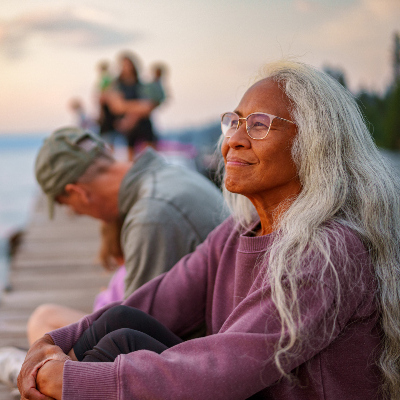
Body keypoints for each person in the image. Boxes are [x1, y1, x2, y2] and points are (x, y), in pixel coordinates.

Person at [18, 60, 400, 400]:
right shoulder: (240, 232)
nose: (233, 138)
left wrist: (73, 380)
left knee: (110, 356)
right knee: (119, 326)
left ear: (315, 144)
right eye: (234, 121)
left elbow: (226, 364)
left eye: (259, 125)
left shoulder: (329, 250)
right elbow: (159, 299)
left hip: (242, 385)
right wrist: (57, 340)